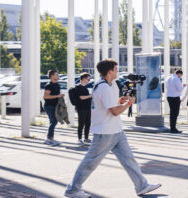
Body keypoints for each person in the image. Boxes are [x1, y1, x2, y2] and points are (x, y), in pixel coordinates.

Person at [64, 59, 161, 198]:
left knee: (129, 159)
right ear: (109, 71)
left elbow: (110, 105)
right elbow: (114, 111)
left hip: (115, 130)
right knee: (90, 163)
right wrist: (128, 104)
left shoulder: (110, 85)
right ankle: (72, 190)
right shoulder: (104, 87)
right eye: (115, 69)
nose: (117, 71)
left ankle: (142, 186)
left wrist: (119, 101)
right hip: (104, 132)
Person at [68, 73, 94, 146]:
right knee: (81, 123)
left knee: (88, 123)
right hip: (81, 108)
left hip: (87, 108)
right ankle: (79, 138)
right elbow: (81, 97)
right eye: (88, 79)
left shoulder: (85, 88)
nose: (89, 80)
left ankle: (86, 138)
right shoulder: (79, 87)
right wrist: (90, 96)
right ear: (83, 79)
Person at [42, 69, 64, 146]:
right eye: (56, 74)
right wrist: (57, 96)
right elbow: (45, 96)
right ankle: (49, 139)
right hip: (49, 106)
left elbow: (56, 96)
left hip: (55, 106)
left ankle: (50, 139)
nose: (58, 76)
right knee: (54, 121)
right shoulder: (49, 85)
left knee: (52, 122)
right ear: (52, 76)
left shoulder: (57, 85)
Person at [165, 69, 185, 133]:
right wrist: (183, 86)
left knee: (171, 113)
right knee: (175, 113)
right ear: (179, 74)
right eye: (180, 75)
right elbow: (180, 89)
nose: (180, 77)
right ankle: (173, 128)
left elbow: (166, 87)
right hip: (175, 97)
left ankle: (172, 127)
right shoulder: (177, 79)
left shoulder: (168, 78)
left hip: (169, 97)